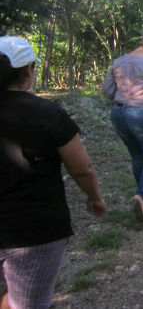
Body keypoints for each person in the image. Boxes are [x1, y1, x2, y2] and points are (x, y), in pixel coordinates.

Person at [0, 36, 106, 309]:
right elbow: (81, 168)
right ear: (29, 69)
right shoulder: (48, 113)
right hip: (34, 230)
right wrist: (95, 197)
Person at [102, 27, 143, 222]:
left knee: (137, 155)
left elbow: (107, 90)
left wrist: (121, 99)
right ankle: (140, 194)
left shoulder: (119, 61)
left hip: (118, 113)